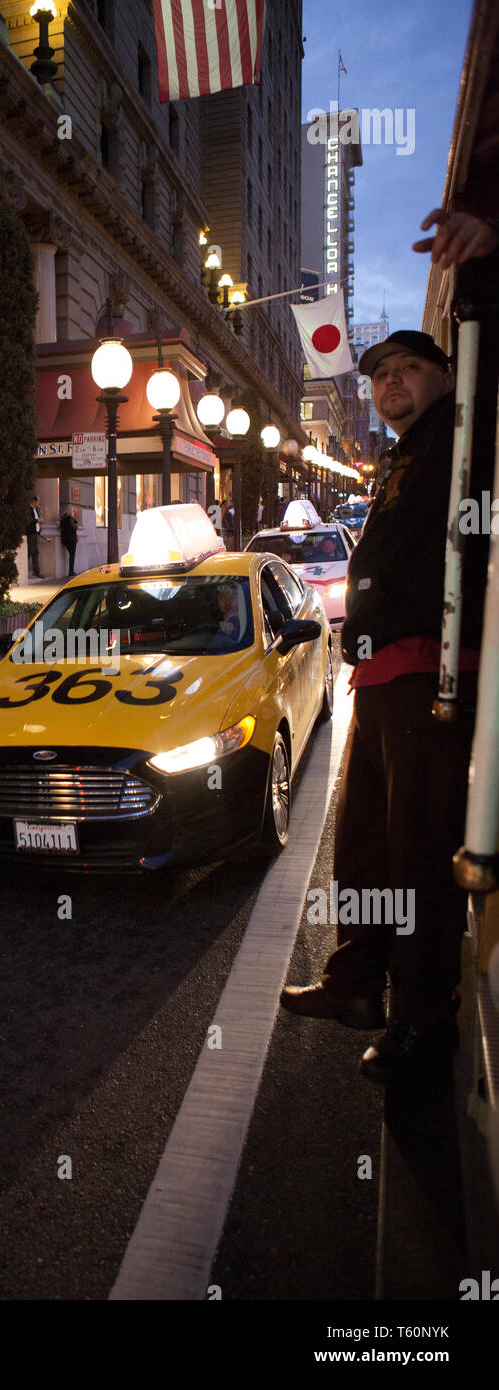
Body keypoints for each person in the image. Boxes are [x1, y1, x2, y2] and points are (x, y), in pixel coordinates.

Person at [280, 209, 499, 1088]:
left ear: (448, 374)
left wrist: (483, 275)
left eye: (410, 368)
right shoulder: (404, 453)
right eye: (382, 376)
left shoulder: (467, 428)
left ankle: (421, 1019)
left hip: (429, 676)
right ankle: (358, 982)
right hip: (379, 679)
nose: (392, 383)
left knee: (416, 856)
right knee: (365, 845)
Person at [60, 506, 78, 577]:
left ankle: (71, 571)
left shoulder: (63, 519)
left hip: (65, 539)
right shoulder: (71, 519)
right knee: (72, 555)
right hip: (71, 540)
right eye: (73, 511)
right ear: (71, 512)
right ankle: (71, 571)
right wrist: (76, 527)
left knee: (71, 555)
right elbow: (74, 527)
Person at [26, 496, 42, 578]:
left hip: (35, 533)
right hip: (31, 533)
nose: (39, 503)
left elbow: (37, 520)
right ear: (33, 501)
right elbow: (29, 521)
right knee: (30, 551)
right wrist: (37, 521)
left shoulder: (36, 510)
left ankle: (36, 571)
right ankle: (24, 568)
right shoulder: (29, 509)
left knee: (36, 552)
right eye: (38, 501)